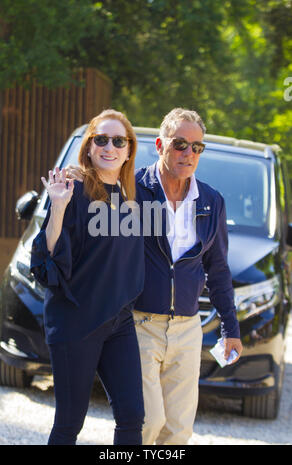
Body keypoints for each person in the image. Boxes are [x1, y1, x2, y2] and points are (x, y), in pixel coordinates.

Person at [66, 107, 243, 446]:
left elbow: (218, 269)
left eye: (196, 147)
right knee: (146, 422)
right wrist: (79, 176)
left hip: (188, 330)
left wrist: (230, 328)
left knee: (177, 431)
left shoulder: (211, 201)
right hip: (138, 323)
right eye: (179, 144)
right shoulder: (133, 189)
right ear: (160, 145)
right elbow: (98, 189)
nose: (188, 154)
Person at [30, 109, 145, 445]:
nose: (109, 147)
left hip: (119, 322)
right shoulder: (72, 190)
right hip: (76, 322)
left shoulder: (132, 198)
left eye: (118, 141)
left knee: (132, 416)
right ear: (90, 146)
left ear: (128, 150)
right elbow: (48, 256)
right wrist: (59, 206)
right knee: (69, 423)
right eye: (101, 139)